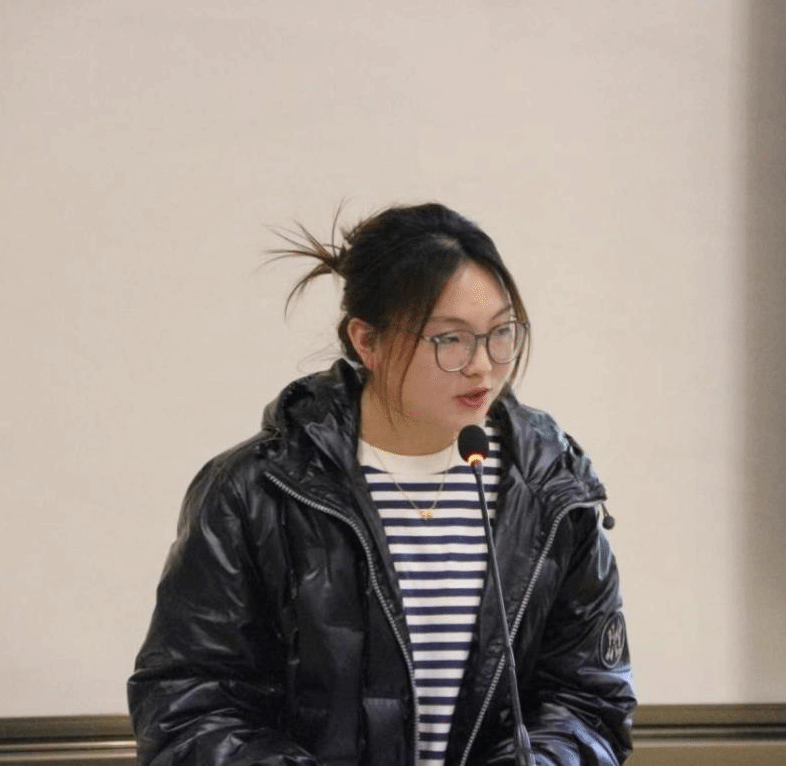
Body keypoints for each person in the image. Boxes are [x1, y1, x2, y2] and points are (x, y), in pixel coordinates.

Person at [127, 203, 636, 765]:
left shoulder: (553, 490)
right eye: (450, 340)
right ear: (366, 341)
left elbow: (589, 701)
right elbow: (187, 706)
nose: (483, 366)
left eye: (501, 333)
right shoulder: (256, 492)